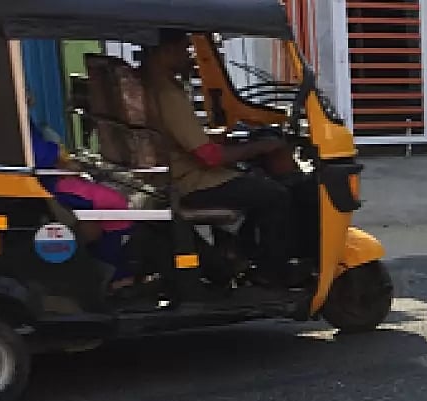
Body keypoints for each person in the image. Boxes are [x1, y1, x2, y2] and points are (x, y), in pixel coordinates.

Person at [139, 29, 306, 287]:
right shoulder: (167, 94)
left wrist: (220, 138)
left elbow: (184, 138)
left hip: (173, 173)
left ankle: (235, 254)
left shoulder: (150, 84)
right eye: (185, 49)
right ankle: (271, 272)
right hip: (189, 181)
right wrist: (259, 147)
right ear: (167, 51)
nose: (190, 57)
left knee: (251, 183)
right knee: (276, 195)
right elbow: (210, 157)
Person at [28, 94, 135, 290]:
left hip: (53, 178)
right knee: (114, 202)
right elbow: (38, 155)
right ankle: (114, 273)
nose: (30, 95)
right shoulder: (15, 119)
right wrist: (60, 158)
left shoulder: (23, 118)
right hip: (47, 184)